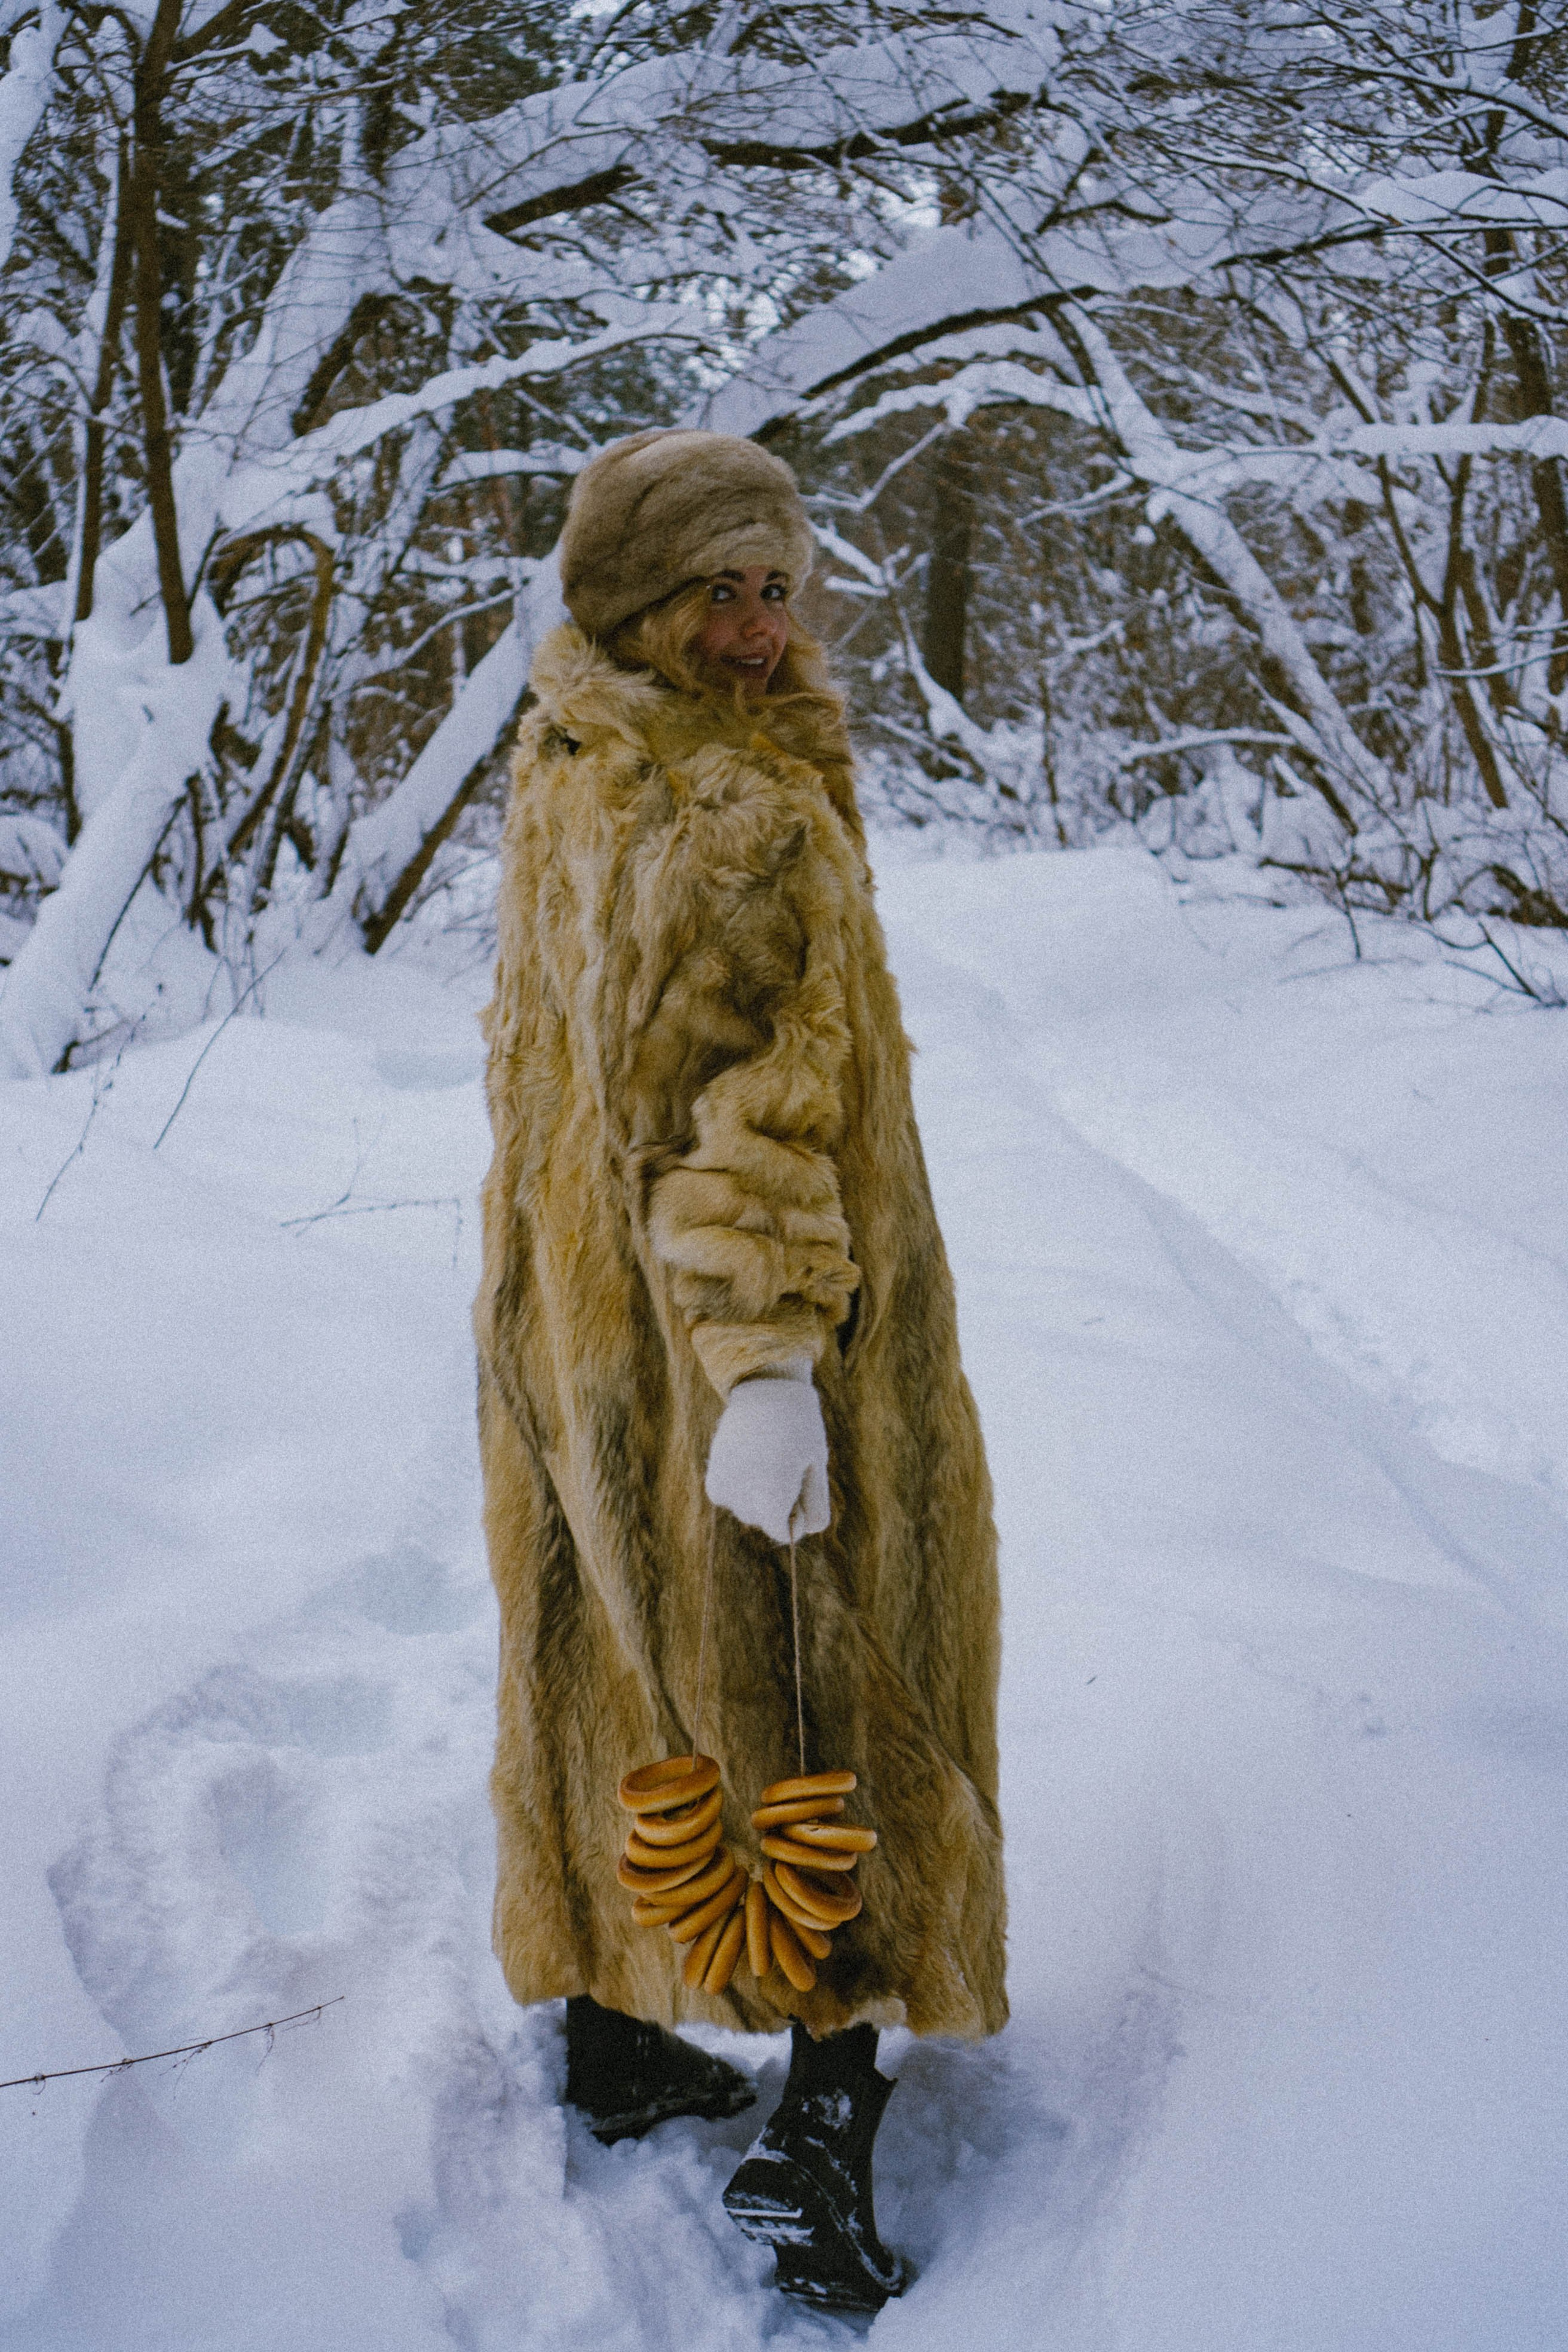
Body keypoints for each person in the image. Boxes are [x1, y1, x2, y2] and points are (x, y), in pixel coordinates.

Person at [473, 427, 1006, 2313]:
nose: (763, 627)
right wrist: (771, 1362)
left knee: (624, 1649)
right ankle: (820, 2135)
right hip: (739, 1331)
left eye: (780, 586)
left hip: (585, 1323)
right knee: (813, 1683)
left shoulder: (572, 753)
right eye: (722, 591)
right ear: (640, 600)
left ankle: (618, 2033)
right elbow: (752, 1110)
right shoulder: (734, 806)